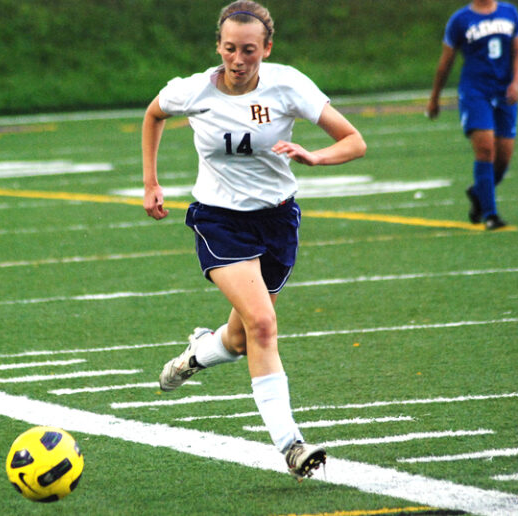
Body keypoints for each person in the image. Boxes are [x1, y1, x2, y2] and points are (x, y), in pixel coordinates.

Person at [142, 1, 366, 481]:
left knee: (243, 337)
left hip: (278, 222)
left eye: (249, 50)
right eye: (229, 49)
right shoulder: (194, 90)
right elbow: (154, 113)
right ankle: (291, 445)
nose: (237, 60)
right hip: (219, 221)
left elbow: (354, 140)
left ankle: (196, 354)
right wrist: (151, 182)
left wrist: (314, 156)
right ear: (217, 46)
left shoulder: (289, 85)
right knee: (263, 323)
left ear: (267, 48)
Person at [427, 0, 518, 230]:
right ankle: (490, 215)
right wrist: (434, 98)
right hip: (475, 92)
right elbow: (446, 62)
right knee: (486, 150)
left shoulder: (509, 12)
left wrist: (516, 83)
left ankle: (478, 193)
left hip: (505, 93)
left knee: (503, 159)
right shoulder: (460, 20)